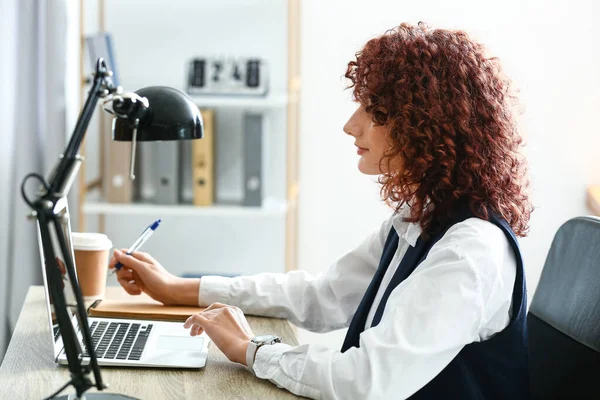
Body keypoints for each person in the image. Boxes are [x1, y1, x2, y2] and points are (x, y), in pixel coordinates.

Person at [109, 22, 533, 399]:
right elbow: (322, 295)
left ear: (429, 126)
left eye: (376, 112)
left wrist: (252, 350)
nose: (352, 125)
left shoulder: (470, 252)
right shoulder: (419, 218)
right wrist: (177, 288)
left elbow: (367, 383)